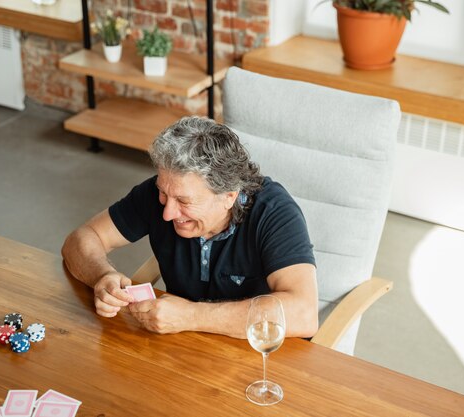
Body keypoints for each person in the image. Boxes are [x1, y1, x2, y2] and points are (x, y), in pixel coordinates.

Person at [61, 116, 318, 339]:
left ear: (228, 196)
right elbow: (81, 239)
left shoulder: (274, 213)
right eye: (164, 194)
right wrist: (102, 276)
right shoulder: (163, 190)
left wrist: (191, 316)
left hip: (256, 356)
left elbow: (303, 314)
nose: (167, 212)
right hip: (180, 347)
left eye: (184, 201)